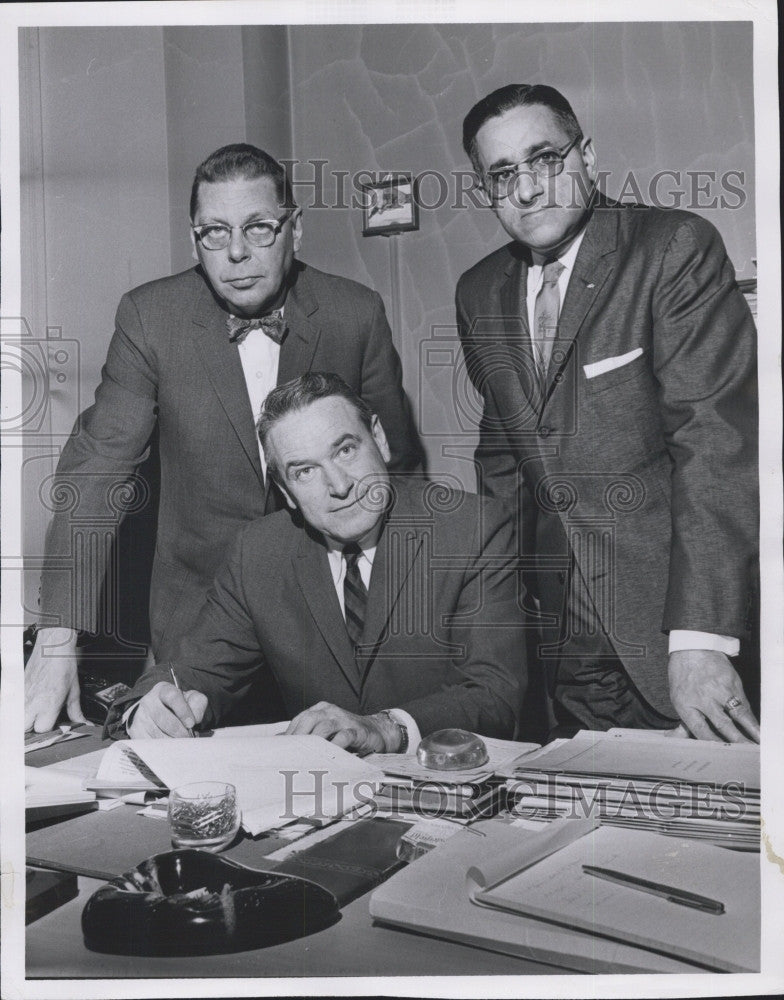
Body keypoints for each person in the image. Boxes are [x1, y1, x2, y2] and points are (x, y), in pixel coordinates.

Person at [25, 144, 422, 733]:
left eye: (259, 228)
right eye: (215, 232)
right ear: (194, 241)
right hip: (198, 629)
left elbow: (401, 470)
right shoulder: (150, 317)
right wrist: (58, 637)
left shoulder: (353, 312)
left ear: (295, 230)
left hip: (334, 624)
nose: (237, 252)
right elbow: (96, 469)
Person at [456, 84, 758, 742]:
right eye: (503, 174)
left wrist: (701, 640)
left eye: (545, 159)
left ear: (586, 154)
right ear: (485, 188)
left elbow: (717, 448)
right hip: (564, 645)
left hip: (674, 631)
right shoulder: (479, 292)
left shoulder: (673, 249)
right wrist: (501, 628)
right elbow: (503, 465)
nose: (528, 189)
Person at [107, 373, 524, 751]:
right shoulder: (259, 552)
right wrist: (149, 707)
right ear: (286, 492)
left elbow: (496, 694)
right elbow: (192, 670)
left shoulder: (472, 529)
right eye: (305, 471)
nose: (339, 486)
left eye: (345, 450)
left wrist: (384, 727)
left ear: (379, 439)